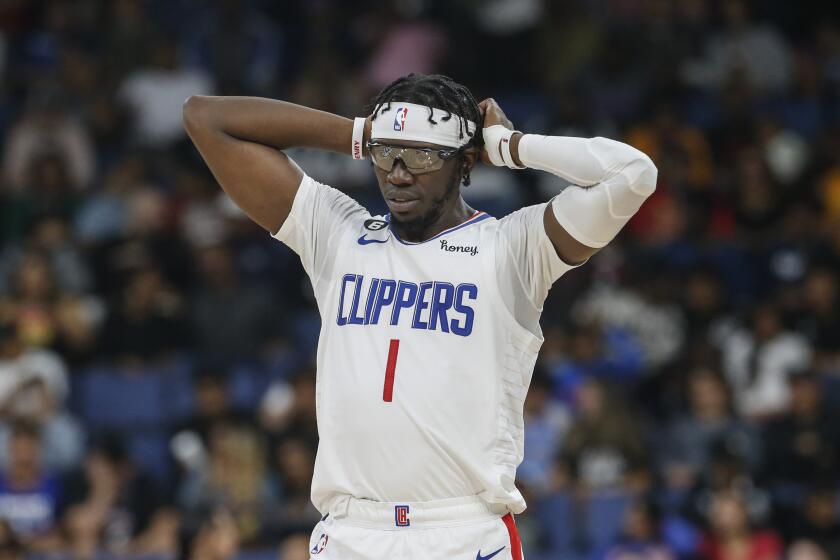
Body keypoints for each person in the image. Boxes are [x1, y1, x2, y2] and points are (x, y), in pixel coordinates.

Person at [183, 72, 657, 559]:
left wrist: (509, 145)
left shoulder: (515, 247)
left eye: (423, 155)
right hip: (351, 531)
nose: (399, 172)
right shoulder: (337, 233)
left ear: (465, 162)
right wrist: (363, 134)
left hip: (461, 530)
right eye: (388, 155)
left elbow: (634, 174)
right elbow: (205, 118)